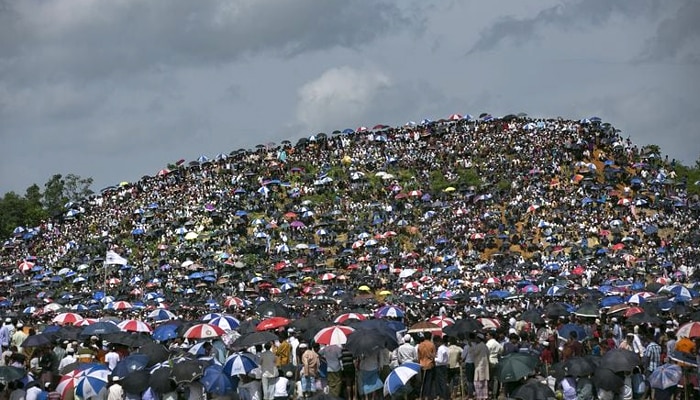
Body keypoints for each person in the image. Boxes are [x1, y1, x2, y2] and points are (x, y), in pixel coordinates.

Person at [417, 334, 436, 400]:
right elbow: (434, 356)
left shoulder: (420, 345)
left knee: (423, 381)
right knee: (428, 381)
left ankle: (422, 395)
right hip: (429, 364)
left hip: (422, 364)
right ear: (430, 337)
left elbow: (418, 357)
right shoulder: (432, 345)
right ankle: (427, 396)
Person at [471, 333, 490, 400]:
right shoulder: (485, 346)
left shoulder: (479, 346)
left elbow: (473, 354)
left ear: (479, 339)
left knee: (478, 382)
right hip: (484, 366)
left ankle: (480, 396)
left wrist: (470, 346)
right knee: (484, 383)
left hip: (479, 366)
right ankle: (484, 396)